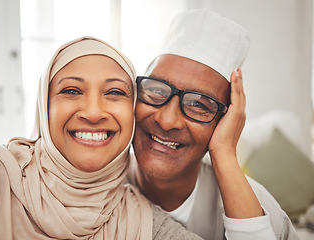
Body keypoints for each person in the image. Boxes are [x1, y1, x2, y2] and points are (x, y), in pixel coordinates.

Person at [0, 37, 203, 239]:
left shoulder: (149, 228)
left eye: (115, 92)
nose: (93, 113)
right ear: (44, 107)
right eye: (71, 90)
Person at [127, 9, 300, 240]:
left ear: (225, 120)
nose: (167, 120)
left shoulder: (257, 210)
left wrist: (225, 152)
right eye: (157, 90)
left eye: (199, 105)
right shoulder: (96, 184)